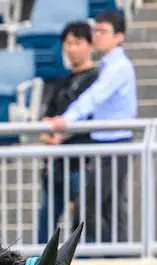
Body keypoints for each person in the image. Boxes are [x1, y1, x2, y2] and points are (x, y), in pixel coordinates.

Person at [44, 10, 138, 244]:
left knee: (95, 206)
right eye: (96, 30)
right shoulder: (108, 65)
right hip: (104, 143)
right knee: (105, 206)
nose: (97, 36)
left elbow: (95, 97)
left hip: (114, 143)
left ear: (119, 37)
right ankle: (115, 252)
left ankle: (114, 254)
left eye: (103, 31)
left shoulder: (119, 67)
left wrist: (66, 119)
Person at [36, 21, 99, 243]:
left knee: (83, 220)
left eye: (78, 42)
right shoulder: (60, 81)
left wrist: (62, 134)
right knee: (45, 221)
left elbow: (92, 117)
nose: (72, 48)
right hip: (56, 164)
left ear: (90, 45)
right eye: (68, 43)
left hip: (82, 161)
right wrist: (48, 135)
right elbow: (46, 117)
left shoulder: (98, 79)